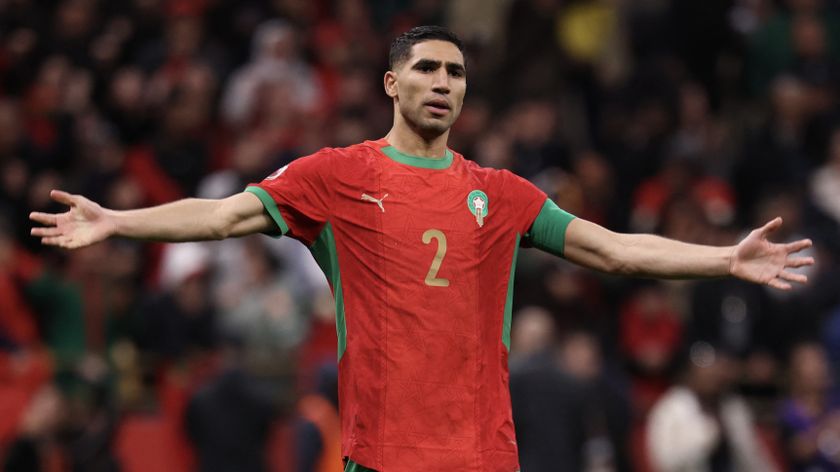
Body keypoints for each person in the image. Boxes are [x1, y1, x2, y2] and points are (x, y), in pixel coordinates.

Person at [29, 26, 814, 472]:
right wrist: (119, 222)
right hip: (384, 455)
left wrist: (723, 259)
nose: (444, 82)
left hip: (484, 457)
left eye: (457, 72)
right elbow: (224, 216)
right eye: (428, 68)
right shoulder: (338, 176)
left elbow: (609, 250)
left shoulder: (499, 192)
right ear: (390, 84)